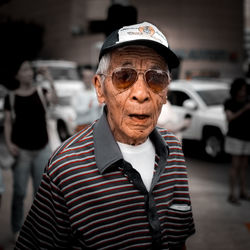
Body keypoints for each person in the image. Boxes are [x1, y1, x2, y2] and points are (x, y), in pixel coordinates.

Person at [15, 22, 195, 249]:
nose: (141, 94)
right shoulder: (66, 166)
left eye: (156, 77)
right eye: (124, 76)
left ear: (166, 90)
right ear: (100, 89)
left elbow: (178, 240)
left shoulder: (173, 150)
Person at [3, 60, 57, 240]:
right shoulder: (11, 97)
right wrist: (10, 143)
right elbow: (8, 122)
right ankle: (17, 229)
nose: (28, 73)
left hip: (42, 149)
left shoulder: (41, 92)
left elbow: (54, 101)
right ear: (17, 75)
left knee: (41, 194)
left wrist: (49, 78)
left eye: (29, 69)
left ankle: (40, 231)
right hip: (22, 152)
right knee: (19, 192)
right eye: (24, 69)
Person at [224, 78, 250, 205]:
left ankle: (243, 191)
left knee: (244, 166)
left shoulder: (248, 101)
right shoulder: (229, 102)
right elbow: (230, 118)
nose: (243, 92)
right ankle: (232, 193)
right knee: (235, 166)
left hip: (247, 137)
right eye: (241, 89)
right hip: (234, 137)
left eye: (245, 89)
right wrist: (244, 109)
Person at [73, 65, 102, 132]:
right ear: (82, 78)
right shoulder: (77, 93)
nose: (88, 79)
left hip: (96, 126)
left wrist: (100, 107)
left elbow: (101, 111)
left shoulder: (98, 92)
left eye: (90, 77)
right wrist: (88, 106)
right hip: (82, 127)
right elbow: (77, 110)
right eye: (86, 77)